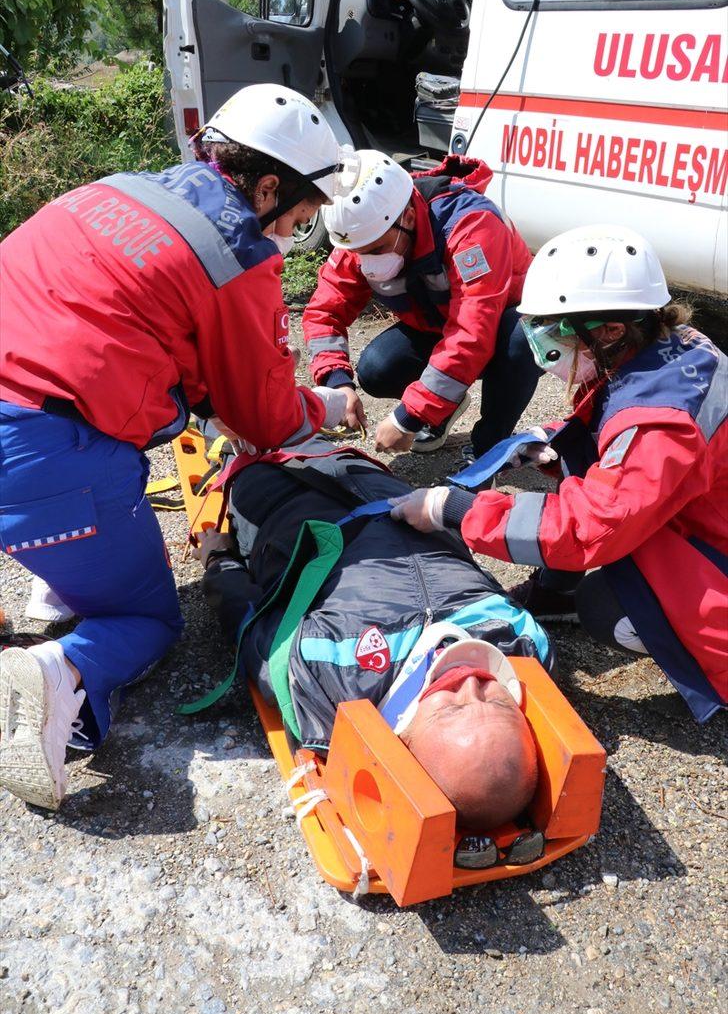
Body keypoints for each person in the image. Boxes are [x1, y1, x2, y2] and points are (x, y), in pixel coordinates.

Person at [0, 83, 357, 810]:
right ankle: (61, 671)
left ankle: (59, 572)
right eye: (302, 213)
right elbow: (264, 418)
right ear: (266, 188)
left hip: (20, 407)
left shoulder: (117, 189)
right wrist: (325, 404)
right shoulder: (235, 256)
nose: (297, 228)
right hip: (35, 450)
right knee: (151, 621)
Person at [390, 224, 728, 724]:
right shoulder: (670, 345)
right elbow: (620, 426)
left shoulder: (659, 423)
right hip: (702, 517)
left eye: (558, 329)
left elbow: (593, 525)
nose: (546, 343)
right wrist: (550, 439)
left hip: (711, 555)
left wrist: (454, 509)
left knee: (603, 609)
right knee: (577, 466)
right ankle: (558, 592)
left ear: (611, 330)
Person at [195, 437, 551, 830]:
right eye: (497, 702)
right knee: (303, 433)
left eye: (452, 707)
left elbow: (248, 621)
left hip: (283, 506)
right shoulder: (520, 642)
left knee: (241, 435)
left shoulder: (331, 674)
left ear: (405, 744)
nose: (470, 683)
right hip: (381, 486)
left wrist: (218, 560)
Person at [302, 150, 541, 457]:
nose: (367, 261)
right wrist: (337, 383)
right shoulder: (367, 230)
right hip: (442, 324)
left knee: (520, 342)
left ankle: (488, 451)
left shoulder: (470, 226)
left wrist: (408, 418)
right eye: (360, 253)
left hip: (502, 324)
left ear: (409, 217)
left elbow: (472, 332)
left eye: (376, 249)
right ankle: (444, 408)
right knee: (377, 369)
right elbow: (325, 310)